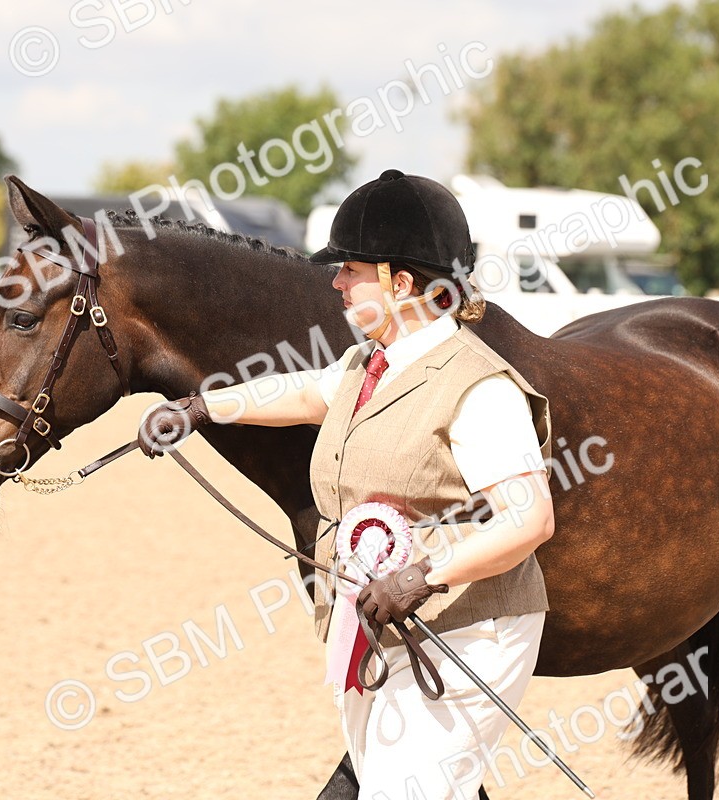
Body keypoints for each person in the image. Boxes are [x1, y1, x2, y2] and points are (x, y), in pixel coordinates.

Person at [137, 169, 554, 800]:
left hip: (468, 628)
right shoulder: (366, 366)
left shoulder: (479, 386)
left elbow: (529, 519)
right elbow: (304, 391)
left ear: (400, 282)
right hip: (376, 618)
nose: (334, 282)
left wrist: (423, 576)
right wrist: (200, 408)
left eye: (350, 270)